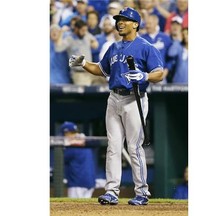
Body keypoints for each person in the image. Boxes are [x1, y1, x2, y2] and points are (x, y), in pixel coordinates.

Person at [69, 7, 164, 205]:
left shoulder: (146, 46)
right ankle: (112, 191)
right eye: (118, 20)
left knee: (134, 147)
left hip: (135, 99)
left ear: (135, 24)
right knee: (113, 147)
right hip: (114, 98)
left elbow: (159, 73)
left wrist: (145, 75)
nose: (119, 22)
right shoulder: (113, 47)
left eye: (124, 20)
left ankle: (142, 192)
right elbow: (101, 70)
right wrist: (84, 63)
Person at [55, 19, 106, 85]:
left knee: (104, 84)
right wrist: (61, 32)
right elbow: (58, 48)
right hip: (78, 73)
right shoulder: (69, 39)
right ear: (76, 29)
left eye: (85, 30)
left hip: (90, 71)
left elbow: (95, 45)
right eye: (82, 30)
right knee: (85, 92)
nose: (84, 32)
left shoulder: (87, 35)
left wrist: (93, 42)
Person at [60, 121, 96, 198]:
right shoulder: (85, 143)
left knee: (73, 208)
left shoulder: (72, 147)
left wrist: (65, 146)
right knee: (84, 208)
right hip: (90, 183)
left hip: (77, 184)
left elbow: (60, 160)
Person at [140, 14, 172, 84]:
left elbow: (170, 58)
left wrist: (166, 71)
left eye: (150, 23)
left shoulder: (165, 38)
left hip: (161, 76)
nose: (147, 26)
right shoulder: (141, 39)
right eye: (146, 23)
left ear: (156, 24)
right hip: (146, 77)